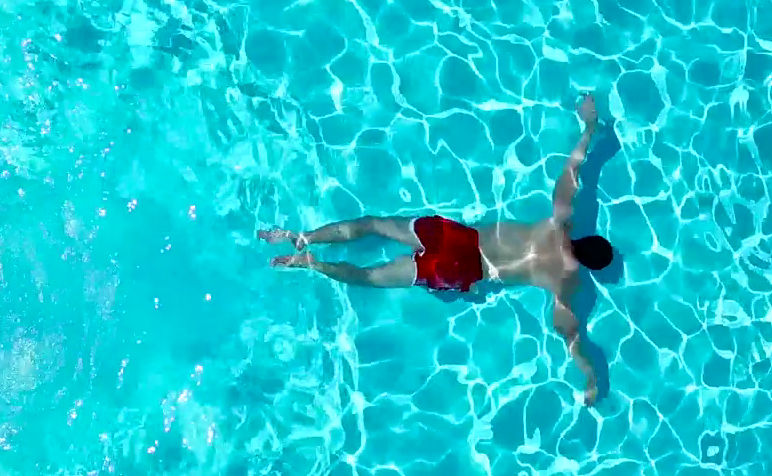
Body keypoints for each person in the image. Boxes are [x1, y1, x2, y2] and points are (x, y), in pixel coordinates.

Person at [262, 93, 614, 405]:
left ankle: (305, 236)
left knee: (374, 224)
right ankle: (314, 264)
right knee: (369, 277)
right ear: (591, 267)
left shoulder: (561, 222)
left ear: (586, 237)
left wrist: (589, 127)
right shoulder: (565, 281)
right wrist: (591, 376)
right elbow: (568, 331)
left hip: (456, 238)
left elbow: (573, 171)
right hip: (461, 271)